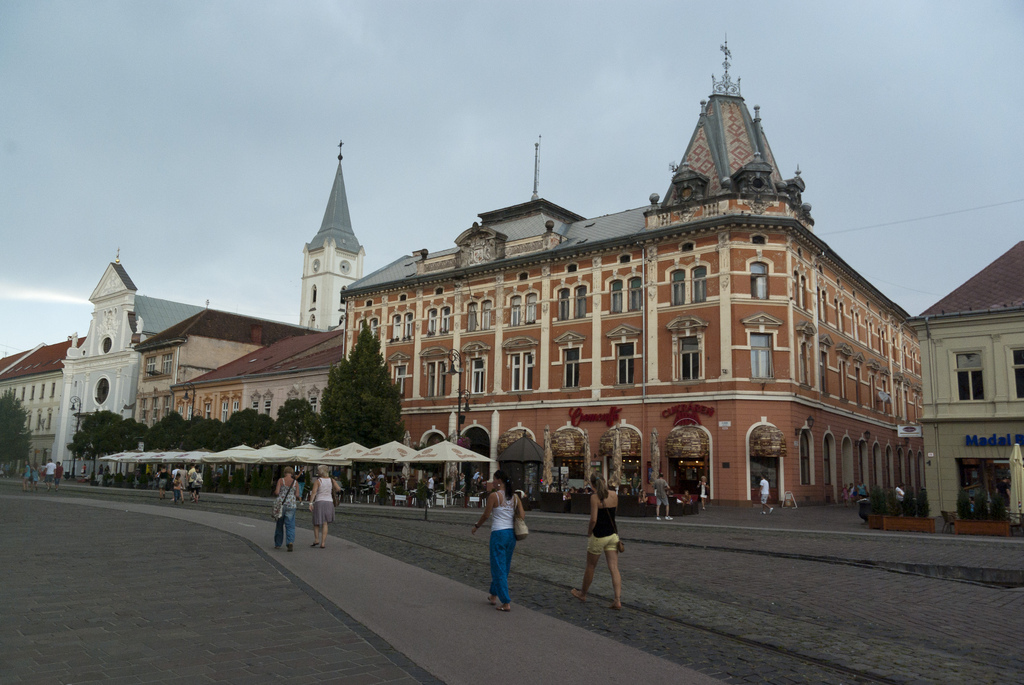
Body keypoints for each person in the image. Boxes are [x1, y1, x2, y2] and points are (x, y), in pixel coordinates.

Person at [471, 470, 524, 613]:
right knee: (504, 566)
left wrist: (476, 526)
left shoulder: (494, 496)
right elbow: (522, 515)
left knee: (497, 567)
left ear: (499, 480)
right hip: (511, 535)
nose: (493, 481)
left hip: (498, 534)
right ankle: (493, 595)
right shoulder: (515, 497)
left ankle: (506, 601)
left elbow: (486, 515)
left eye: (494, 479)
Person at [570, 475, 622, 610]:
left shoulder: (594, 497)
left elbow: (593, 519)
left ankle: (583, 594)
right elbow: (614, 512)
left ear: (592, 485)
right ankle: (617, 599)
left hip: (599, 536)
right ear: (605, 482)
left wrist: (589, 531)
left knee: (591, 566)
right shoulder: (614, 494)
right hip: (612, 535)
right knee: (614, 568)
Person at [308, 465, 341, 549]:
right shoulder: (331, 480)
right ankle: (323, 543)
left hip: (320, 502)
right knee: (325, 523)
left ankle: (316, 540)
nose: (317, 472)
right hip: (329, 502)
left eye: (318, 471)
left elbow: (314, 493)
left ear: (321, 472)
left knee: (316, 522)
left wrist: (310, 503)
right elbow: (338, 489)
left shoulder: (318, 481)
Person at [273, 466, 301, 551]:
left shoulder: (281, 480)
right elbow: (297, 495)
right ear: (292, 473)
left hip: (281, 504)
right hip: (291, 505)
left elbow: (277, 492)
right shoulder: (295, 482)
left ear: (284, 473)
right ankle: (290, 542)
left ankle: (278, 544)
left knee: (279, 525)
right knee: (290, 525)